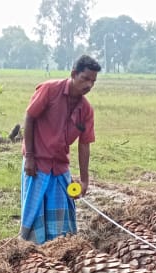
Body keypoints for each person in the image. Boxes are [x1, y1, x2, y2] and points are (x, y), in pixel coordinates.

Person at [20, 54, 100, 244]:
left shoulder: (86, 109)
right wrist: (30, 157)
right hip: (38, 163)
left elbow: (84, 144)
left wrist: (85, 181)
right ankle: (31, 253)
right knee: (34, 214)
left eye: (93, 81)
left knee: (63, 218)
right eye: (85, 79)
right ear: (74, 74)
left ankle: (59, 253)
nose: (89, 85)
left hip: (60, 167)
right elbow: (30, 117)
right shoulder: (49, 90)